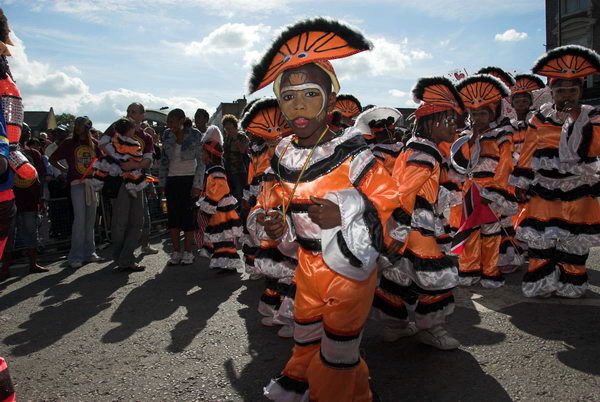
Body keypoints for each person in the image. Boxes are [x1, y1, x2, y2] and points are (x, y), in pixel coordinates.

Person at [246, 17, 398, 401]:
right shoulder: (281, 153)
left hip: (348, 269)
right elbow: (269, 201)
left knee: (339, 351)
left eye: (310, 94)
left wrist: (344, 212)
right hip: (306, 268)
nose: (298, 105)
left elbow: (391, 206)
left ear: (331, 101)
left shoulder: (355, 155)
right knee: (306, 336)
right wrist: (271, 222)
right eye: (288, 96)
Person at [371, 76, 463, 349]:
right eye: (450, 119)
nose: (455, 126)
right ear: (433, 122)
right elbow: (406, 191)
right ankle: (431, 328)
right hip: (415, 222)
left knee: (399, 274)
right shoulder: (425, 150)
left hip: (410, 219)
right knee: (434, 276)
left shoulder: (418, 147)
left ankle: (395, 326)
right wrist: (399, 227)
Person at [510, 45, 600, 298]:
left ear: (580, 90)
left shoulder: (593, 116)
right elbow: (528, 150)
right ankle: (542, 282)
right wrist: (521, 181)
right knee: (541, 239)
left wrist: (576, 121)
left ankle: (571, 283)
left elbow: (594, 148)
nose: (566, 95)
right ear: (552, 92)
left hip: (578, 188)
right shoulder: (539, 118)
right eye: (561, 90)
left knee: (573, 239)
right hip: (544, 188)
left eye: (572, 90)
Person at [449, 74, 517, 288]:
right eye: (474, 113)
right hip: (470, 191)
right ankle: (469, 270)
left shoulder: (502, 134)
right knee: (469, 231)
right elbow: (458, 167)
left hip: (491, 191)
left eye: (483, 113)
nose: (478, 117)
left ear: (492, 113)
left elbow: (506, 164)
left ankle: (490, 271)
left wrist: (497, 194)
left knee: (491, 234)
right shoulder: (463, 137)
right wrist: (471, 138)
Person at [240, 97, 296, 338]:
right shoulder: (269, 160)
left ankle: (297, 317)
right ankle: (279, 311)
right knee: (279, 267)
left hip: (296, 222)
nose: (273, 137)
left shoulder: (300, 155)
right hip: (275, 220)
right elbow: (265, 193)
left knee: (294, 267)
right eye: (269, 135)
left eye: (277, 134)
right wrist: (260, 213)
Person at [49, 116, 101, 269]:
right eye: (77, 124)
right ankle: (75, 256)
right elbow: (52, 159)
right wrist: (67, 170)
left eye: (82, 124)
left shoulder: (95, 144)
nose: (78, 127)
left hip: (91, 184)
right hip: (76, 184)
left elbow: (104, 161)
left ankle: (90, 252)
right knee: (79, 220)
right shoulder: (68, 143)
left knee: (91, 219)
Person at [159, 108, 204, 266]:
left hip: (189, 180)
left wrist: (197, 184)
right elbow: (164, 161)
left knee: (188, 218)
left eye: (172, 122)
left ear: (181, 120)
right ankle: (176, 251)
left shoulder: (195, 134)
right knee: (173, 218)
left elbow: (201, 161)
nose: (170, 125)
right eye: (168, 122)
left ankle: (188, 252)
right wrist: (162, 183)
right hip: (172, 180)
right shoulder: (166, 135)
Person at [3, 123, 49, 275]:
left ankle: (33, 264)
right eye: (25, 130)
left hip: (30, 199)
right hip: (11, 199)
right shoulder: (7, 152)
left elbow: (40, 177)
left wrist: (41, 198)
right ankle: (5, 268)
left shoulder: (34, 153)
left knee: (31, 232)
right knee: (8, 235)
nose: (28, 132)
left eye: (29, 130)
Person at [196, 140, 243, 272]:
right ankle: (225, 263)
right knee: (221, 237)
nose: (201, 155)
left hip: (221, 209)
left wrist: (209, 204)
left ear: (210, 155)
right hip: (219, 209)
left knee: (224, 236)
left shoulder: (216, 171)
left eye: (203, 153)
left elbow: (220, 189)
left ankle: (229, 263)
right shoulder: (213, 170)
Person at [90, 118, 147, 197]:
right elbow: (137, 153)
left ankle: (97, 183)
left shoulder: (115, 138)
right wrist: (135, 159)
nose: (134, 131)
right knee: (130, 173)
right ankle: (131, 188)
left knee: (103, 169)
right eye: (133, 129)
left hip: (114, 160)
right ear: (129, 130)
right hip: (124, 160)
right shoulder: (132, 142)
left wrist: (114, 155)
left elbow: (108, 147)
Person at [353, 106, 404, 174]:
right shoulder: (402, 148)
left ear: (374, 134)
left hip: (387, 181)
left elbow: (377, 173)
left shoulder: (378, 152)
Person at [222, 114, 249, 202]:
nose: (227, 130)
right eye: (226, 128)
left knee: (239, 194)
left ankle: (241, 213)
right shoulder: (226, 138)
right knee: (230, 195)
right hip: (228, 170)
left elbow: (243, 151)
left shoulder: (241, 136)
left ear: (234, 125)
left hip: (239, 171)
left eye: (229, 128)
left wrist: (235, 139)